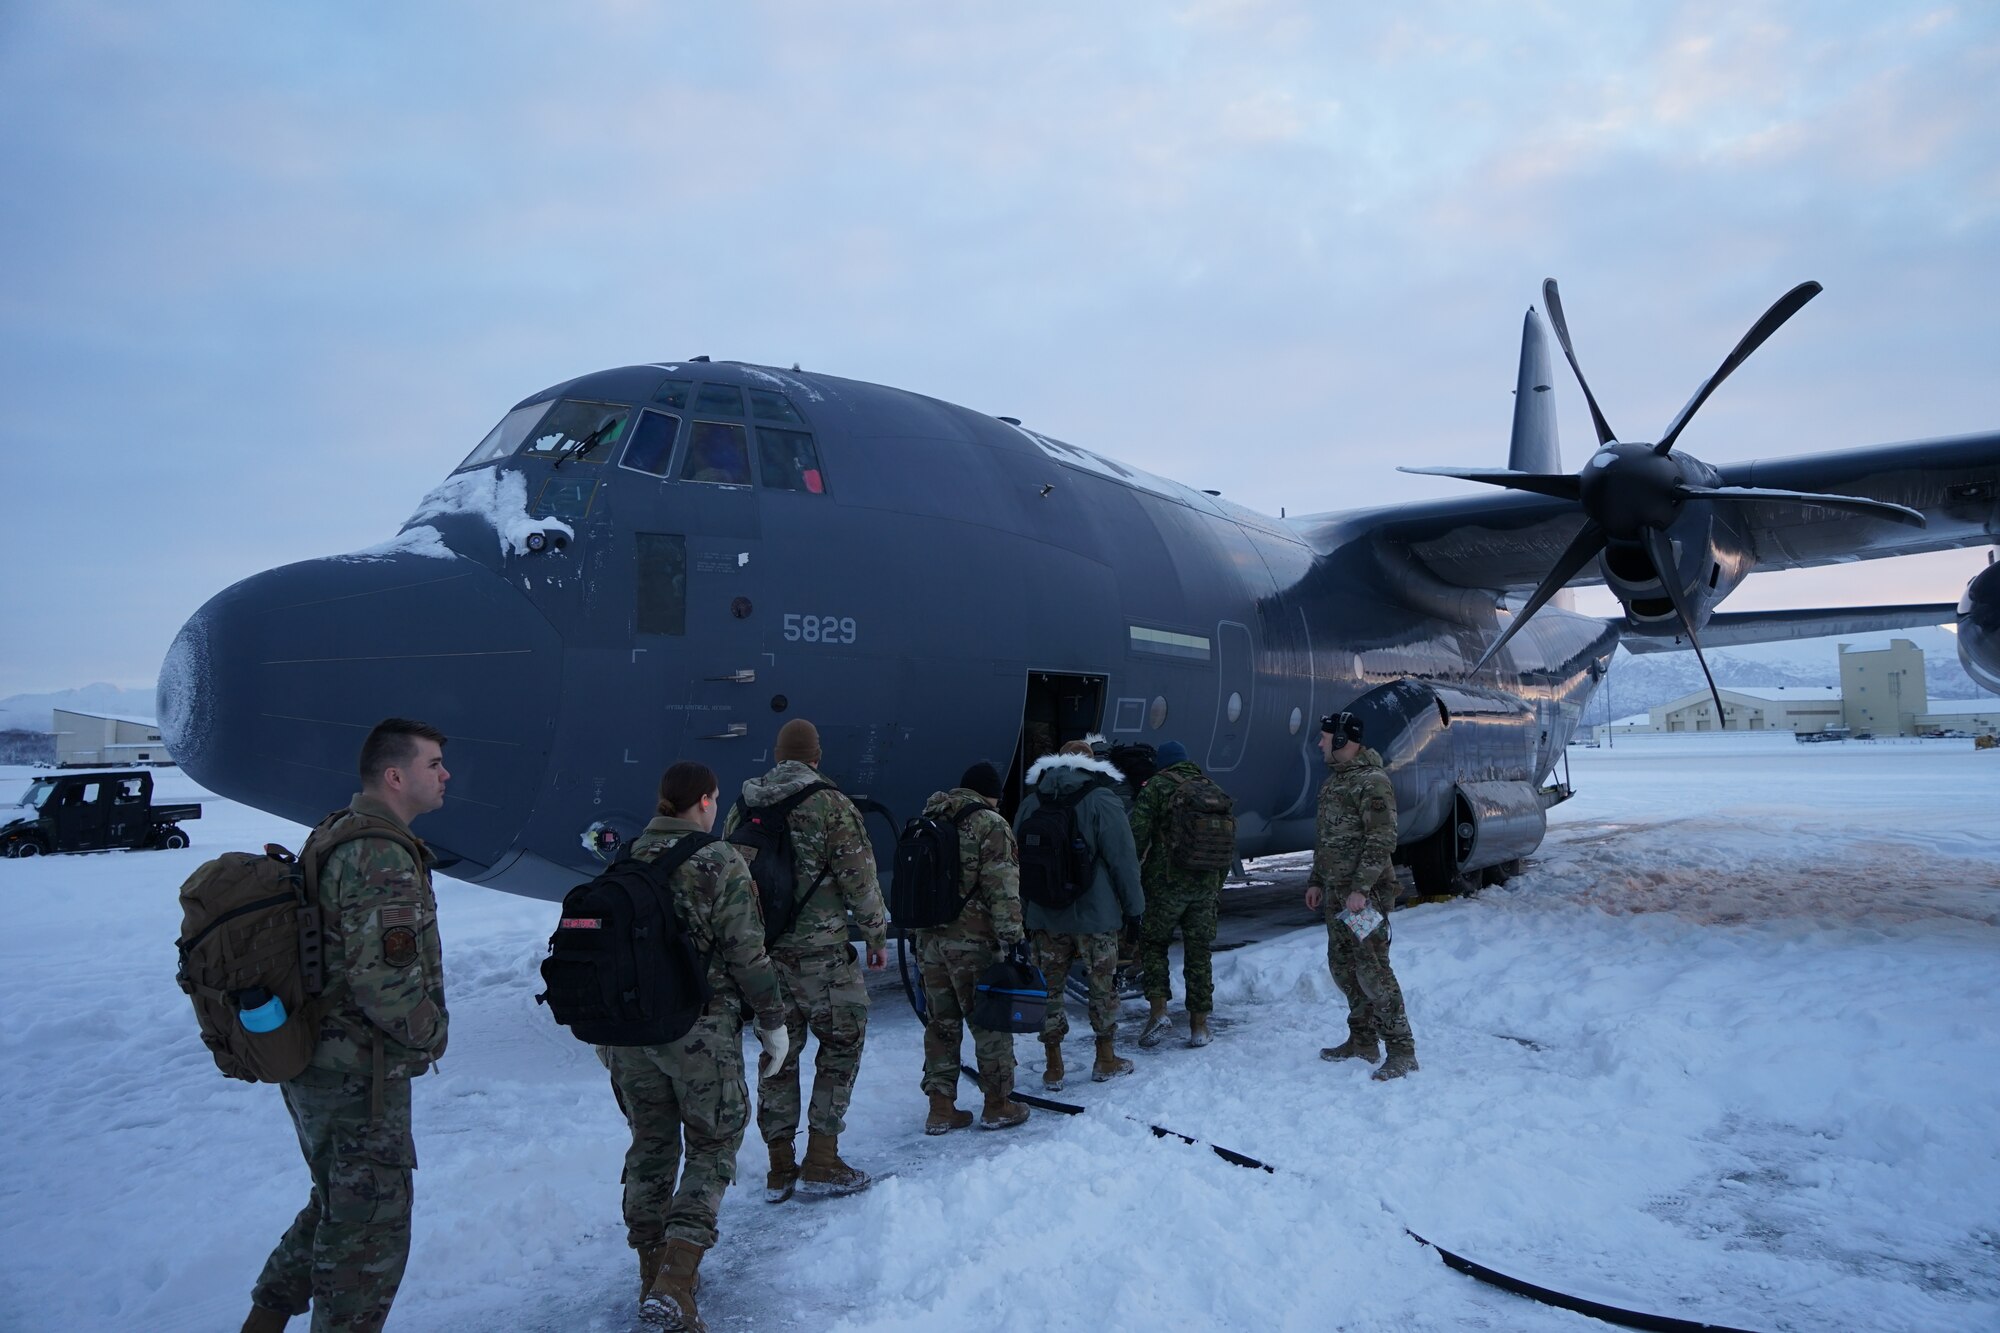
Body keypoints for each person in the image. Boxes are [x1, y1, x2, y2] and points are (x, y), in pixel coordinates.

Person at [242, 719, 451, 1333]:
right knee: (369, 1239)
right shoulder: (379, 853)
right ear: (395, 776)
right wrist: (431, 1033)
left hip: (319, 1062)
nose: (445, 775)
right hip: (358, 1076)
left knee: (338, 1202)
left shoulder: (336, 830)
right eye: (433, 763)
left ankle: (263, 1321)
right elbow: (382, 983)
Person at [604, 762, 791, 1332]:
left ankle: (649, 1270)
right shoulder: (717, 859)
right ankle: (676, 1281)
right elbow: (746, 952)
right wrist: (772, 1020)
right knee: (713, 1145)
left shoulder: (627, 856)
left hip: (630, 1035)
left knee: (651, 1145)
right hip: (698, 1031)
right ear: (707, 802)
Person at [725, 718, 888, 1201]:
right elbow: (860, 877)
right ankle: (821, 1156)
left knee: (778, 1054)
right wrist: (876, 935)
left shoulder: (742, 806)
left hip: (764, 958)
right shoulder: (831, 805)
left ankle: (779, 1166)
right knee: (841, 1046)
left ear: (778, 756)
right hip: (823, 960)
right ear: (816, 757)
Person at [1015, 741, 1145, 1087]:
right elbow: (1123, 861)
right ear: (1091, 766)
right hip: (1095, 916)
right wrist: (1135, 911)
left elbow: (1019, 864)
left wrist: (1027, 913)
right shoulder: (1103, 801)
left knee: (1049, 990)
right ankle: (1105, 1058)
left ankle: (1053, 1065)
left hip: (1045, 916)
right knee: (1102, 986)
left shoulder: (1031, 803)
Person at [916, 761, 1030, 1133]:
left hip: (930, 941)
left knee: (940, 1024)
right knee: (990, 1022)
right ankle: (998, 1103)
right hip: (974, 944)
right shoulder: (990, 825)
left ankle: (940, 1107)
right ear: (991, 794)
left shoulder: (930, 818)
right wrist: (1014, 939)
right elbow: (1002, 889)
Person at [1305, 712, 1417, 1081]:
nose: (1320, 744)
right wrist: (1317, 880)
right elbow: (1327, 840)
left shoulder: (1372, 782)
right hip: (1337, 894)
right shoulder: (1335, 783)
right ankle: (1362, 1040)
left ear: (1342, 741)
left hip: (1362, 898)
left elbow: (1382, 839)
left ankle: (1401, 1050)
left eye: (1325, 738)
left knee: (1373, 971)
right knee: (1343, 968)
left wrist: (1360, 889)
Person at [1128, 740, 1227, 1050]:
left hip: (1165, 885)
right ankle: (1199, 1025)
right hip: (1205, 885)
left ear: (1164, 764)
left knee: (1155, 945)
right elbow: (1225, 844)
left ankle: (1158, 1012)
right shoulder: (1211, 787)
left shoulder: (1156, 787)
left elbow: (1136, 835)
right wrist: (1215, 885)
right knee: (1199, 953)